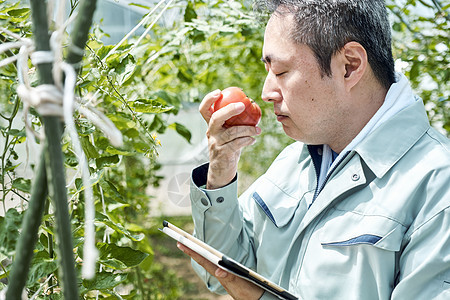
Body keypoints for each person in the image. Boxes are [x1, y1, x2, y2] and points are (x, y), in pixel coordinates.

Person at [177, 0, 450, 299]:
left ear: (350, 66)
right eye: (267, 70)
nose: (267, 92)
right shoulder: (295, 161)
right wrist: (221, 171)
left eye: (281, 71)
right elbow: (220, 273)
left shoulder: (437, 187)